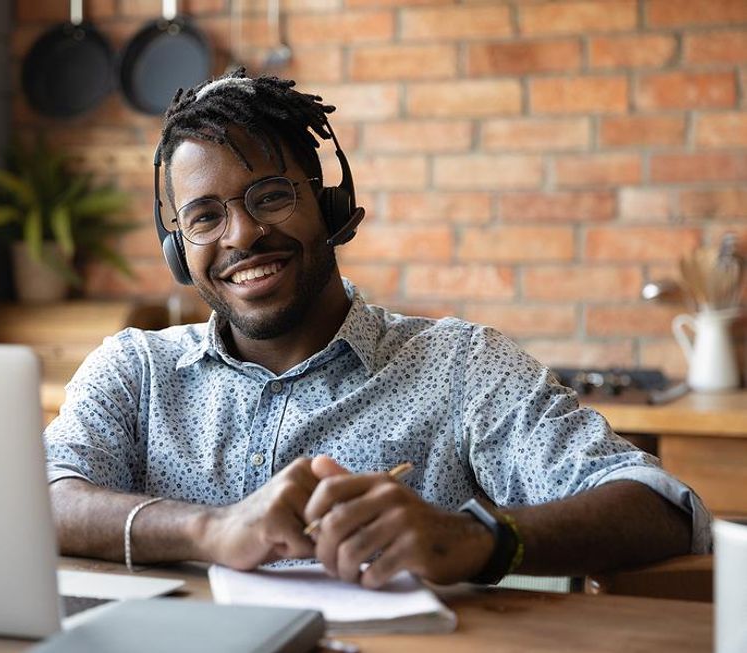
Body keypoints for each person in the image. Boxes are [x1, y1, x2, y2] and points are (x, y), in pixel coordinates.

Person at [44, 69, 709, 589]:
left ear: (329, 203)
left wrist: (476, 538)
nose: (242, 234)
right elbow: (44, 501)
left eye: (270, 195)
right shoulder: (134, 369)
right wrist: (211, 529)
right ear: (178, 249)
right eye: (205, 217)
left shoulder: (459, 364)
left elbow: (661, 507)